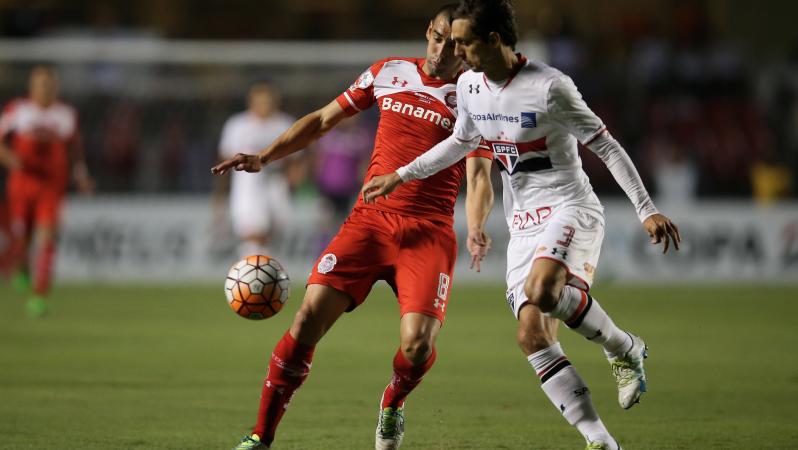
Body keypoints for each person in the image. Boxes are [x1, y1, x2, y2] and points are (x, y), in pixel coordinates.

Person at [362, 1, 681, 448]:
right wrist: (401, 174)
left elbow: (606, 147)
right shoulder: (470, 85)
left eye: (463, 41)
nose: (455, 50)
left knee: (544, 290)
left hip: (570, 206)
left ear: (493, 40)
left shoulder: (550, 87)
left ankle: (622, 348)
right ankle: (601, 439)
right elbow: (461, 142)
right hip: (523, 223)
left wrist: (646, 209)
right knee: (531, 335)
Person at [211, 4, 493, 449]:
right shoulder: (389, 71)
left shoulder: (479, 96)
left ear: (468, 47)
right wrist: (264, 157)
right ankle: (260, 436)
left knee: (417, 345)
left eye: (454, 43)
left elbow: (479, 175)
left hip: (429, 231)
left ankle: (392, 403)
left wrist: (475, 224)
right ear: (428, 32)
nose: (443, 49)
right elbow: (324, 120)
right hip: (370, 221)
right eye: (438, 36)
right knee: (306, 318)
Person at [0, 65, 94, 317]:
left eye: (49, 83)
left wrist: (81, 175)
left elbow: (76, 149)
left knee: (47, 237)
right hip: (21, 184)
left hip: (51, 186)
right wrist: (9, 158)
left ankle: (39, 296)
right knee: (22, 238)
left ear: (56, 87)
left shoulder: (65, 115)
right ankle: (21, 266)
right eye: (40, 83)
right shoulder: (17, 111)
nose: (45, 88)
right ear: (31, 87)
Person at [213, 82, 299, 259]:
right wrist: (220, 193)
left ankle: (262, 273)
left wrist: (293, 180)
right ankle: (253, 277)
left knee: (275, 233)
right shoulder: (237, 125)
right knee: (252, 232)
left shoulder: (284, 124)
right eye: (259, 101)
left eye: (268, 101)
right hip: (247, 182)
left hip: (276, 181)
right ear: (250, 102)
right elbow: (225, 159)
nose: (264, 105)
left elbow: (297, 159)